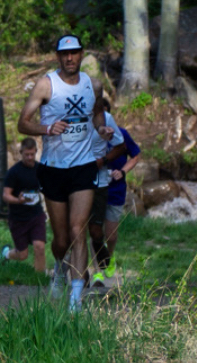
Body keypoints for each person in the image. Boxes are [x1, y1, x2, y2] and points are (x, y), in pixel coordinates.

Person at [16, 35, 111, 312]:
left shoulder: (93, 84)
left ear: (81, 55)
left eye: (74, 53)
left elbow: (97, 114)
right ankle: (59, 266)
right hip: (53, 169)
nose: (69, 58)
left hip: (83, 168)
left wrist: (102, 129)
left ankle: (76, 298)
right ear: (58, 56)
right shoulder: (46, 85)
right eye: (64, 54)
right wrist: (47, 129)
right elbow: (23, 123)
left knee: (77, 229)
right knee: (61, 240)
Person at [92, 116, 141, 286]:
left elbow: (135, 156)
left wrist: (122, 171)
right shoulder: (91, 135)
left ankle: (109, 257)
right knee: (95, 231)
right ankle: (96, 272)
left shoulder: (122, 134)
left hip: (115, 190)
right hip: (96, 189)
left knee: (111, 236)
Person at [87, 97, 128, 286]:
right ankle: (92, 273)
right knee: (85, 230)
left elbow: (130, 151)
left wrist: (121, 169)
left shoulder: (115, 128)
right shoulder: (78, 118)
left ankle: (107, 261)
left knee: (107, 235)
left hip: (112, 189)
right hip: (83, 184)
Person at [0, 138, 48, 274]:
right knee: (23, 255)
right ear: (21, 153)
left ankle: (39, 278)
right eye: (26, 154)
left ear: (36, 152)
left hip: (36, 214)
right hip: (18, 217)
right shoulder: (14, 172)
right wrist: (18, 200)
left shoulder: (40, 169)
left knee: (39, 246)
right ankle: (6, 254)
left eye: (32, 154)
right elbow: (6, 195)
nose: (29, 157)